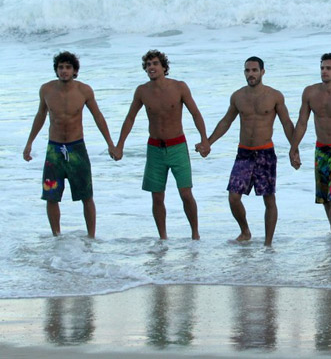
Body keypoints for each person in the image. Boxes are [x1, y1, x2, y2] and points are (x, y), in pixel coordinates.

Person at [115, 50, 210, 240]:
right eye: (148, 64)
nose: (151, 67)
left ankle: (195, 234)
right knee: (157, 196)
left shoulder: (179, 87)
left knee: (185, 193)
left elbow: (195, 113)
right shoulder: (142, 91)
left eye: (155, 63)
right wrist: (119, 145)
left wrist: (204, 140)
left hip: (177, 146)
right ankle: (163, 238)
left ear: (164, 67)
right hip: (155, 149)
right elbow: (130, 118)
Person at [23, 51, 118, 238]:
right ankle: (56, 236)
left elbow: (98, 117)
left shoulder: (84, 91)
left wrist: (110, 144)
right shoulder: (46, 90)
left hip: (76, 149)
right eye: (60, 67)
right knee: (51, 196)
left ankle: (91, 238)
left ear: (75, 71)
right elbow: (40, 115)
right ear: (56, 70)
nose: (64, 71)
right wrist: (29, 143)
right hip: (54, 150)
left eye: (68, 67)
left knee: (86, 195)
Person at [205, 56, 295, 245]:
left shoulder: (274, 96)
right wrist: (208, 142)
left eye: (254, 70)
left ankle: (268, 244)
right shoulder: (238, 96)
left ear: (262, 72)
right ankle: (245, 231)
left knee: (269, 199)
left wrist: (294, 149)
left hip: (265, 153)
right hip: (244, 153)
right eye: (247, 70)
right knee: (233, 197)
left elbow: (287, 123)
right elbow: (226, 121)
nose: (251, 74)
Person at [289, 53, 331, 241]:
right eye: (322, 68)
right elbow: (302, 123)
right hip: (321, 150)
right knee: (325, 198)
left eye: (328, 68)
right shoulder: (310, 92)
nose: (324, 71)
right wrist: (293, 148)